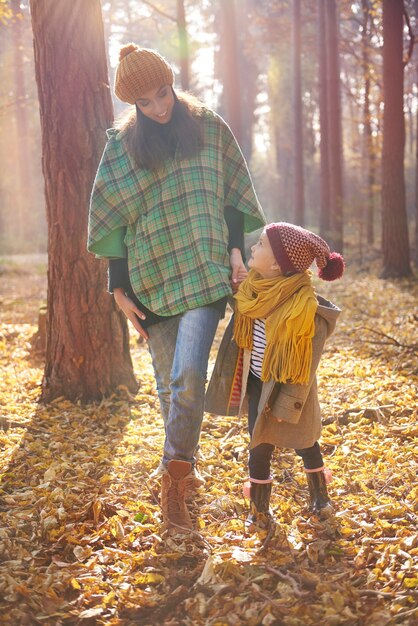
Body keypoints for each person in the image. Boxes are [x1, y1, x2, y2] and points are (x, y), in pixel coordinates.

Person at [87, 43, 266, 533]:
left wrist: (235, 251)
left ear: (172, 83)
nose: (158, 106)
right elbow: (113, 219)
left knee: (187, 377)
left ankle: (173, 482)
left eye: (162, 93)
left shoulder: (207, 125)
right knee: (170, 389)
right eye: (144, 102)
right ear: (133, 105)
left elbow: (232, 195)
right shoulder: (122, 145)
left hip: (206, 271)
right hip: (149, 278)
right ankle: (184, 465)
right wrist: (117, 287)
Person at [206, 222, 344, 530]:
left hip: (293, 389)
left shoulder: (305, 310)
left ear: (278, 263)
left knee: (306, 442)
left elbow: (305, 367)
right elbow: (242, 305)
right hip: (258, 384)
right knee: (259, 446)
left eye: (261, 245)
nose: (253, 247)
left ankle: (320, 497)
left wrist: (287, 404)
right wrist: (236, 282)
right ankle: (259, 511)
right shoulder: (254, 290)